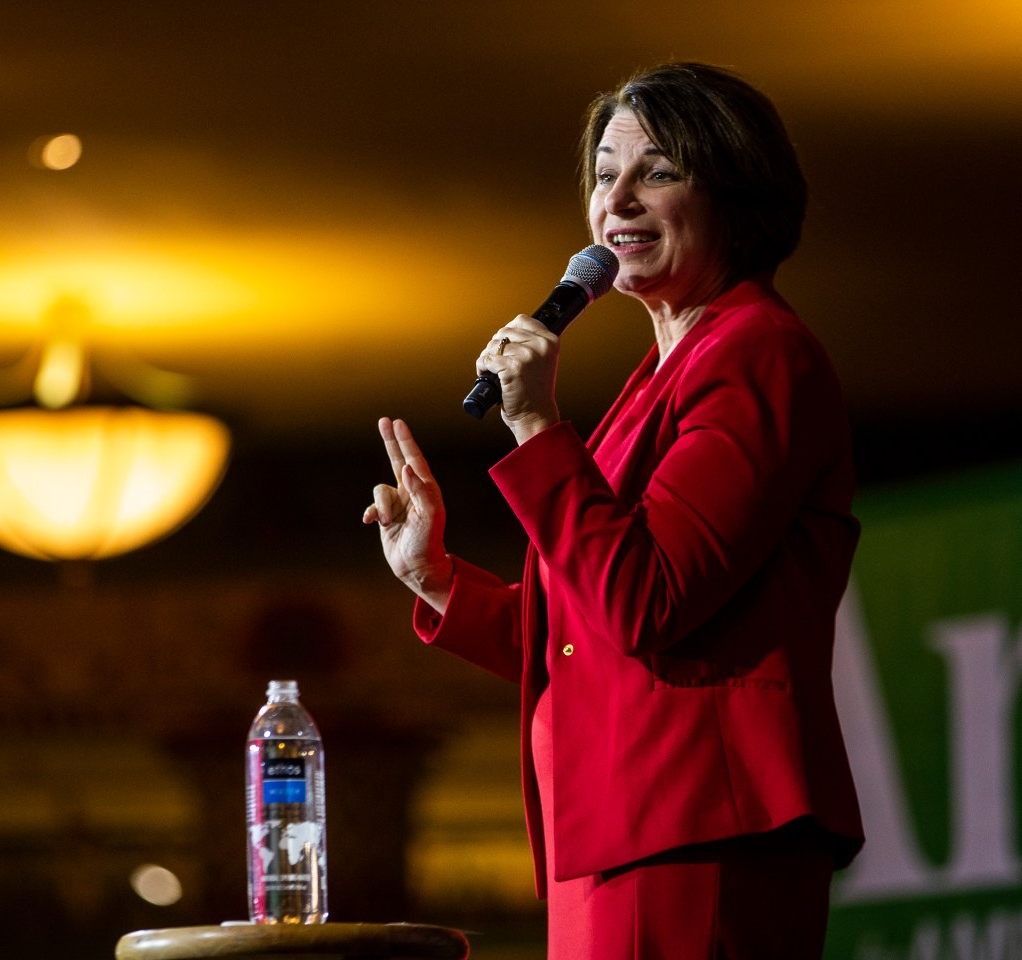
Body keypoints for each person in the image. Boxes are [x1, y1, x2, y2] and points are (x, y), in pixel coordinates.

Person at [363, 62, 864, 959]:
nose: (617, 201)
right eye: (604, 175)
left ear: (735, 192)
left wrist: (534, 425)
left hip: (695, 826)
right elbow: (588, 628)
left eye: (658, 171)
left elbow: (649, 599)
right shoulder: (660, 377)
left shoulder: (758, 355)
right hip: (619, 828)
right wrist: (435, 575)